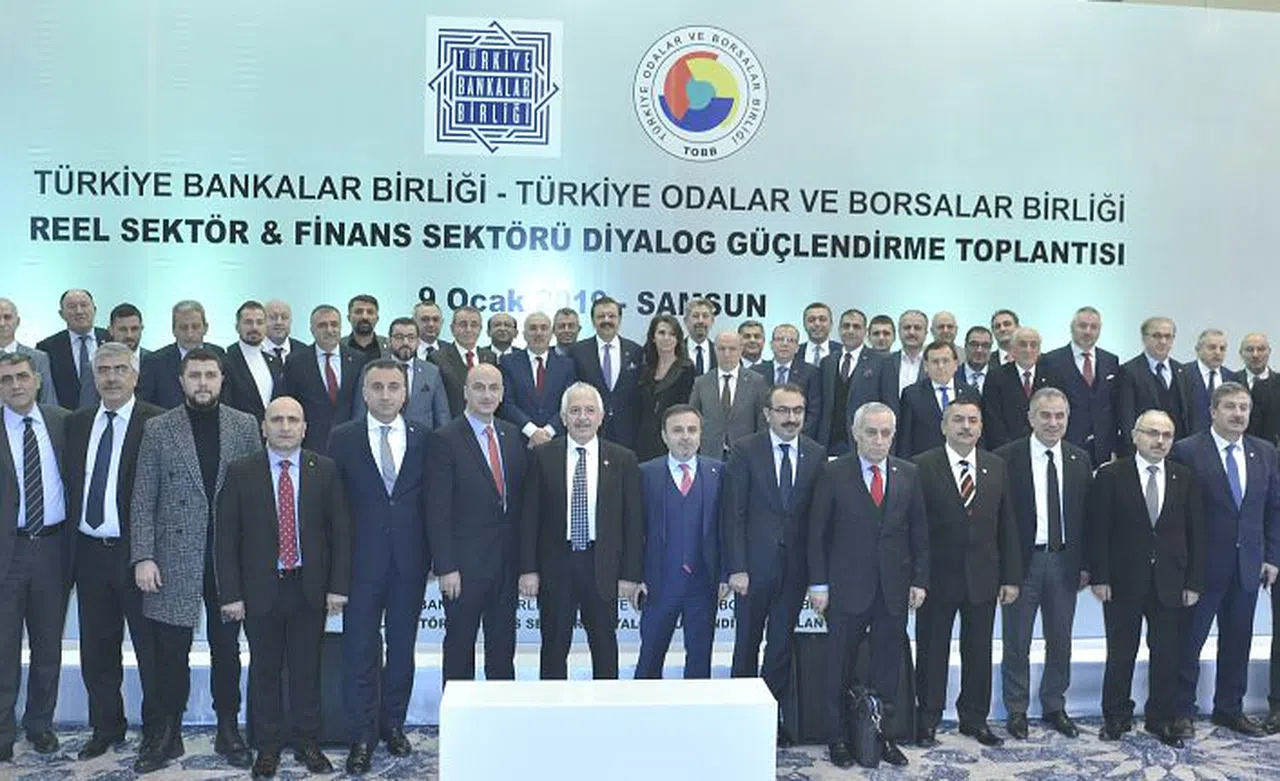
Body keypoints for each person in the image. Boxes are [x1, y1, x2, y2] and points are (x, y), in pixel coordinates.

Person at [129, 348, 261, 773]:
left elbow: (257, 496)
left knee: (227, 650)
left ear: (222, 379)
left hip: (229, 559)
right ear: (181, 381)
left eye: (210, 375)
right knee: (170, 651)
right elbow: (143, 496)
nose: (203, 383)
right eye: (195, 375)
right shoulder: (158, 428)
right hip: (173, 556)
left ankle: (228, 728)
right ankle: (168, 732)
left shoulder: (244, 425)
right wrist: (143, 556)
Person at [216, 397, 350, 777]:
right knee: (265, 670)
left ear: (305, 428)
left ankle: (308, 742)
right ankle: (268, 746)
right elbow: (226, 539)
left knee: (307, 670)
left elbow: (340, 532)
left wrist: (337, 587)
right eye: (277, 420)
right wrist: (231, 594)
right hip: (260, 591)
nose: (285, 427)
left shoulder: (324, 469)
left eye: (293, 420)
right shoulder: (241, 471)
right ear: (264, 427)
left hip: (309, 588)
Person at [809, 401, 927, 768]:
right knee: (838, 666)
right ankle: (837, 738)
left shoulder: (908, 473)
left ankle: (883, 737)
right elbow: (816, 534)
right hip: (846, 588)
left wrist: (919, 580)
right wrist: (818, 584)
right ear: (856, 433)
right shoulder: (833, 473)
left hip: (893, 589)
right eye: (871, 432)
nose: (879, 440)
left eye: (885, 433)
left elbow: (919, 532)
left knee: (888, 668)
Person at [328, 359, 430, 774]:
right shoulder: (343, 438)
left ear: (405, 393)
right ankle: (361, 735)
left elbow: (432, 503)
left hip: (410, 563)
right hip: (359, 564)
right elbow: (334, 509)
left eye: (393, 387)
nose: (386, 395)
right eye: (377, 387)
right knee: (359, 651)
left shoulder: (425, 437)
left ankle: (393, 725)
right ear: (365, 393)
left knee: (402, 650)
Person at [65, 343, 163, 761]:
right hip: (89, 553)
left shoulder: (158, 422)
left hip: (137, 554)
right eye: (103, 370)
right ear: (94, 376)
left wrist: (148, 553)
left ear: (135, 375)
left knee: (150, 650)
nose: (111, 377)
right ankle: (106, 726)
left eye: (120, 369)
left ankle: (158, 731)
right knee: (97, 649)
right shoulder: (77, 422)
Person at [1168, 382, 1280, 739]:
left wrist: (1271, 556)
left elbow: (1273, 509)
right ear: (1213, 411)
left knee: (1238, 641)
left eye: (1244, 407)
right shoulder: (1187, 451)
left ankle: (1229, 709)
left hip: (1248, 566)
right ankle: (1181, 711)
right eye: (1230, 406)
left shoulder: (1264, 451)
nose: (1238, 414)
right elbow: (1176, 514)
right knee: (1189, 642)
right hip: (1201, 569)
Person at [1088, 410, 1204, 748]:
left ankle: (1160, 719)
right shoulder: (1111, 475)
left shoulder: (1185, 477)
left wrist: (1193, 582)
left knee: (1166, 653)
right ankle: (1116, 716)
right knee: (1121, 651)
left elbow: (1196, 533)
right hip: (1122, 581)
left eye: (1167, 435)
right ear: (1135, 435)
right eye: (1152, 433)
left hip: (1171, 582)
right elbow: (1098, 530)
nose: (1159, 441)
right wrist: (1100, 577)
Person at [912, 397, 1021, 748]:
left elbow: (1007, 525)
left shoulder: (996, 465)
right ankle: (927, 719)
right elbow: (916, 530)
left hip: (983, 578)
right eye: (958, 419)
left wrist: (1010, 577)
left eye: (973, 420)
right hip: (936, 580)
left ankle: (974, 719)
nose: (966, 426)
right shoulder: (921, 466)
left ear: (981, 427)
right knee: (932, 652)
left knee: (979, 653)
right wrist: (917, 578)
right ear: (944, 426)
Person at [724, 383, 826, 747]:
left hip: (795, 570)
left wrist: (817, 576)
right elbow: (733, 513)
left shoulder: (816, 453)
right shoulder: (745, 450)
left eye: (797, 410)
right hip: (752, 570)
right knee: (746, 644)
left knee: (780, 646)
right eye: (783, 410)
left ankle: (770, 718)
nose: (791, 418)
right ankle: (740, 717)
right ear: (767, 414)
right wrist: (737, 567)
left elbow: (818, 520)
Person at [519, 382, 643, 680]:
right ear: (563, 418)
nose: (582, 418)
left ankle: (606, 705)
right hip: (556, 566)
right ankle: (552, 706)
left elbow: (633, 522)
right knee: (553, 647)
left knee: (605, 646)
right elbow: (529, 518)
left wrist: (630, 574)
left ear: (601, 416)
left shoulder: (623, 459)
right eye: (574, 411)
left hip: (602, 565)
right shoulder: (543, 456)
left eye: (589, 410)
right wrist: (528, 570)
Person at [996, 387, 1092, 740]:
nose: (1053, 422)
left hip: (1065, 563)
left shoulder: (1080, 458)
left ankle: (1054, 704)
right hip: (1023, 565)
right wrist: (1005, 571)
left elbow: (1087, 518)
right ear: (1031, 418)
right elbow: (1000, 521)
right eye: (1046, 415)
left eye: (1060, 416)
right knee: (1016, 641)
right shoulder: (1006, 458)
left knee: (1060, 640)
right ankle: (1016, 709)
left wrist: (1086, 564)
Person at [427, 365, 527, 684]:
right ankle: (458, 713)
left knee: (502, 650)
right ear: (465, 392)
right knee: (460, 648)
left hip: (505, 565)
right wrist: (446, 567)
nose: (487, 395)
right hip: (463, 568)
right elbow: (437, 510)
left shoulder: (511, 435)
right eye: (479, 387)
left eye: (493, 388)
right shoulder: (444, 439)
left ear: (502, 393)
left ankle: (500, 713)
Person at [0, 353, 69, 761]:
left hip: (54, 550)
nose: (15, 385)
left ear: (38, 380)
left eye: (22, 377)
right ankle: (2, 730)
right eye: (6, 379)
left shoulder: (63, 422)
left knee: (48, 647)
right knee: (3, 648)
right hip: (7, 553)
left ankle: (40, 725)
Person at [634, 405, 726, 679]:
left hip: (703, 585)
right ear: (664, 436)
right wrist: (635, 576)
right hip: (658, 585)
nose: (685, 437)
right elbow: (634, 530)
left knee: (699, 663)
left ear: (700, 434)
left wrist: (725, 574)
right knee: (649, 661)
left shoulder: (719, 473)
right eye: (677, 430)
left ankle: (697, 708)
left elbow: (727, 529)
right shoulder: (645, 474)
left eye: (692, 430)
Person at [280, 304, 369, 454]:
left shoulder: (358, 360)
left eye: (334, 324)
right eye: (322, 325)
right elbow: (289, 402)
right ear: (312, 330)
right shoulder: (296, 362)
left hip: (351, 443)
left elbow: (362, 403)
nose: (329, 330)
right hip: (311, 444)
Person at [1042, 306, 1120, 467]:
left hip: (1103, 448)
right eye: (1083, 326)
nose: (1088, 331)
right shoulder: (1051, 361)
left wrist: (1115, 447)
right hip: (1067, 444)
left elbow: (1114, 405)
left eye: (1093, 327)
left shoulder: (1111, 361)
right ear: (1072, 328)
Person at [569, 297, 643, 449]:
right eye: (601, 316)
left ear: (619, 319)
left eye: (611, 316)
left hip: (628, 430)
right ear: (593, 320)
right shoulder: (577, 351)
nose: (606, 320)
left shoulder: (635, 350)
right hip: (590, 428)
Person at [352, 318, 450, 430]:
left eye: (411, 337)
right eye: (399, 337)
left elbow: (442, 415)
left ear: (418, 341)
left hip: (422, 438)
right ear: (389, 340)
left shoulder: (431, 372)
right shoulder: (372, 370)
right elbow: (360, 412)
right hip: (380, 435)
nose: (405, 342)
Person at [817, 307, 890, 455]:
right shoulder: (827, 362)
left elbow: (889, 405)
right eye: (846, 326)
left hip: (864, 442)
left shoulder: (882, 362)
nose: (850, 331)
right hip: (828, 442)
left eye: (856, 327)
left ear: (865, 332)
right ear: (839, 330)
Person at [1115, 317, 1193, 455]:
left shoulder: (1182, 371)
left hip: (1178, 450)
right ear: (1144, 338)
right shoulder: (1129, 371)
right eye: (1156, 336)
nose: (1163, 341)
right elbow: (1127, 418)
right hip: (1145, 450)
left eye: (1168, 336)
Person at [499, 312, 577, 447]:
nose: (539, 333)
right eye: (533, 328)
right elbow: (506, 403)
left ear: (551, 334)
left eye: (544, 328)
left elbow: (569, 403)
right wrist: (532, 432)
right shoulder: (508, 362)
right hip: (519, 440)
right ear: (524, 334)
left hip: (555, 440)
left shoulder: (566, 365)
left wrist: (548, 432)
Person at [137, 300, 226, 409]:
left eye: (195, 327)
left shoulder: (219, 354)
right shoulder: (154, 362)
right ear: (173, 330)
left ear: (206, 328)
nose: (190, 334)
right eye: (183, 327)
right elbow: (144, 405)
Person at [692, 332, 768, 459]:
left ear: (741, 349)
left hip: (745, 453)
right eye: (722, 349)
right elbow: (693, 418)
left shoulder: (756, 381)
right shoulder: (702, 382)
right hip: (709, 453)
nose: (726, 354)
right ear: (714, 349)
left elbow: (762, 422)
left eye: (732, 349)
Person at [896, 341, 974, 457]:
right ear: (926, 366)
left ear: (955, 364)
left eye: (945, 361)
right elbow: (905, 438)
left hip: (962, 458)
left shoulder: (970, 393)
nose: (940, 366)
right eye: (935, 362)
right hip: (924, 461)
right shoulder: (911, 395)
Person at [37, 288, 110, 409]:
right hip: (65, 415)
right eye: (72, 307)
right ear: (61, 314)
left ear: (94, 309)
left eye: (84, 305)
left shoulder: (111, 339)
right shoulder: (47, 347)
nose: (79, 311)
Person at [982, 327, 1055, 449]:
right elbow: (992, 420)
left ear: (1039, 350)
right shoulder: (996, 377)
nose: (1028, 350)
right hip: (1007, 450)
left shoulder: (1052, 376)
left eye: (1033, 345)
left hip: (1044, 446)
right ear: (1012, 349)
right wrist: (1009, 450)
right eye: (1023, 345)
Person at [634, 314, 695, 461]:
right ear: (653, 337)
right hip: (644, 441)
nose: (667, 338)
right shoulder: (645, 368)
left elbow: (688, 406)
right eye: (661, 333)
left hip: (673, 440)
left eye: (672, 334)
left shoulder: (687, 369)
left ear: (678, 339)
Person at [221, 300, 285, 424]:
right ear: (237, 327)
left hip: (274, 431)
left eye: (259, 322)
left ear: (265, 326)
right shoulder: (226, 361)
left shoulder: (275, 362)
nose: (254, 327)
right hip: (240, 431)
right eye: (248, 322)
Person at [754, 324, 821, 439]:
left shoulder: (811, 373)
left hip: (797, 437)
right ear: (771, 345)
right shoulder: (757, 372)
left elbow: (813, 412)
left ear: (797, 348)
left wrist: (795, 437)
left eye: (790, 340)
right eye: (780, 339)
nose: (784, 344)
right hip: (762, 439)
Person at [434, 306, 497, 417]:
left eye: (474, 325)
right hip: (453, 423)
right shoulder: (438, 358)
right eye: (463, 324)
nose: (468, 329)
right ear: (452, 328)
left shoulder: (490, 357)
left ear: (480, 329)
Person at [0, 298, 56, 404]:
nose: (2, 323)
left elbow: (48, 399)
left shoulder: (39, 358)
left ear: (17, 322)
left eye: (7, 317)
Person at [1188, 329, 1243, 434]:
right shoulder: (1184, 374)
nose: (1218, 352)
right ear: (1198, 349)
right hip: (1190, 437)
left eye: (1222, 349)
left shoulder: (1232, 378)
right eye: (1212, 347)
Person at [887, 309, 928, 397]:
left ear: (926, 333)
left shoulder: (933, 363)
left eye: (917, 328)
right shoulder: (886, 362)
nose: (911, 332)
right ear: (899, 332)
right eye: (907, 327)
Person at [344, 294, 388, 362]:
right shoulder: (339, 346)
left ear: (377, 318)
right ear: (349, 318)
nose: (365, 317)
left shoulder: (388, 346)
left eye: (370, 312)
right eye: (359, 312)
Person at [262, 299, 306, 363]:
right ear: (263, 321)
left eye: (284, 317)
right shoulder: (254, 350)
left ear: (290, 321)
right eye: (273, 317)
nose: (279, 322)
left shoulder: (304, 351)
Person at [801, 302, 841, 366]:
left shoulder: (842, 351)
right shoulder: (794, 352)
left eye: (822, 319)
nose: (817, 324)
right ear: (804, 325)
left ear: (831, 324)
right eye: (811, 320)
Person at [684, 298, 716, 376]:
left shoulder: (719, 352)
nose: (700, 321)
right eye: (695, 316)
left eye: (705, 316)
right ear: (686, 321)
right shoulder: (675, 351)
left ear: (712, 321)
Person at [958, 325, 993, 397]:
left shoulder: (1000, 378)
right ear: (965, 346)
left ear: (990, 349)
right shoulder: (952, 376)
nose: (979, 350)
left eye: (985, 345)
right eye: (974, 345)